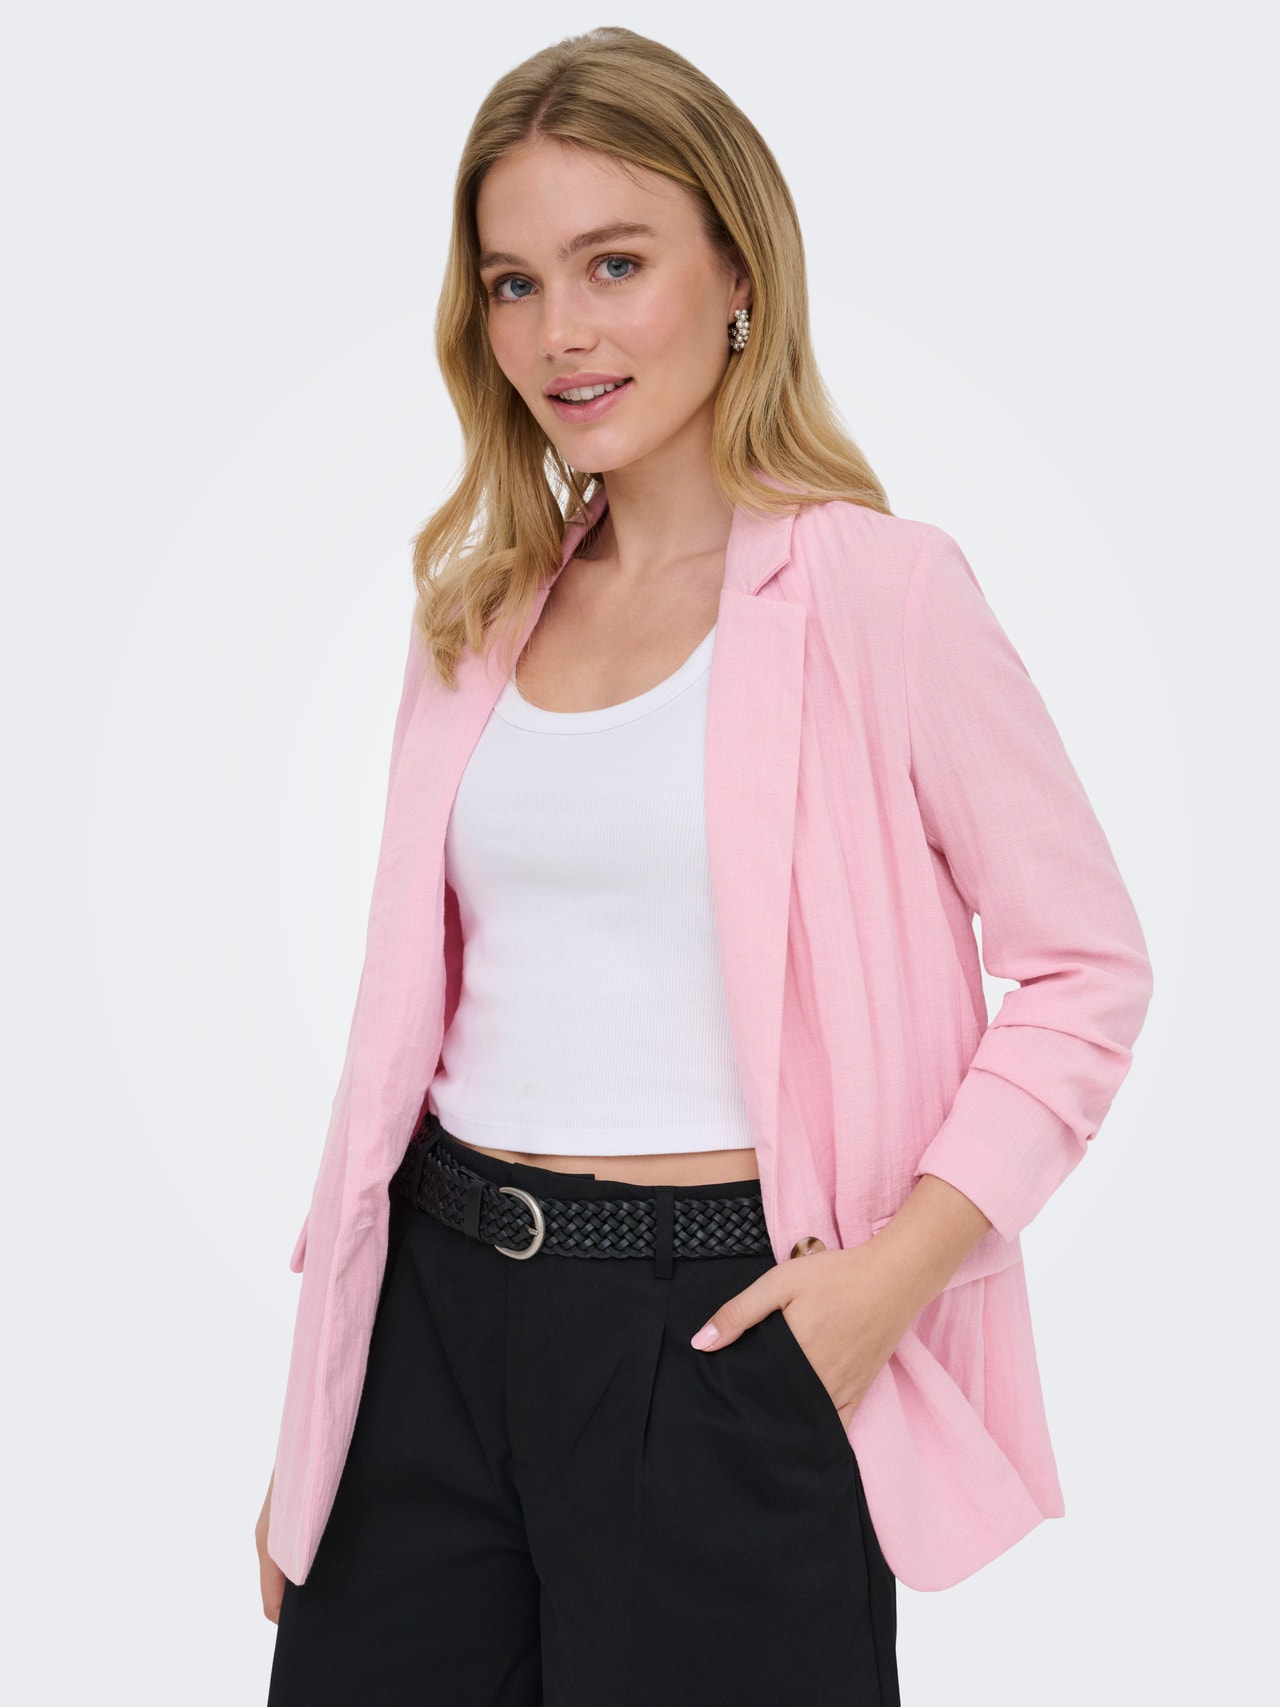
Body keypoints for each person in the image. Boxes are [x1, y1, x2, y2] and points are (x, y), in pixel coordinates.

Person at [257, 25, 1153, 1706]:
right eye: (514, 283)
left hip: (719, 1335)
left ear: (738, 272)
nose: (562, 332)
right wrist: (321, 1421)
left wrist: (885, 1287)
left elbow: (1086, 971)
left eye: (615, 264)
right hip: (427, 1322)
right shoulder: (477, 612)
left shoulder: (882, 595)